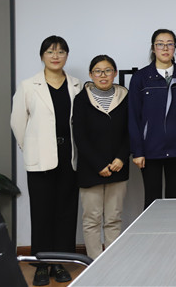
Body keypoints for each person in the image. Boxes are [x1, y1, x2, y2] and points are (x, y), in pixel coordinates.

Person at [10, 35, 82, 286]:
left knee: (66, 211)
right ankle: (41, 265)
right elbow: (17, 122)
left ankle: (60, 262)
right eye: (50, 51)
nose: (55, 56)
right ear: (42, 56)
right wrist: (30, 147)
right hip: (40, 159)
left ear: (67, 56)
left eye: (61, 51)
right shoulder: (29, 85)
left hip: (69, 157)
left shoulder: (76, 85)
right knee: (42, 212)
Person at [72, 55, 129, 260]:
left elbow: (131, 131)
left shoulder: (125, 97)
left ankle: (111, 262)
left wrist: (121, 158)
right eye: (97, 71)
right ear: (90, 74)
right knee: (92, 219)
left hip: (118, 167)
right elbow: (79, 136)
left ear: (115, 73)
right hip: (90, 169)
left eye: (107, 71)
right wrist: (98, 164)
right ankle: (95, 263)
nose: (103, 75)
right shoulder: (81, 99)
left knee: (114, 218)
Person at [128, 28, 176, 209]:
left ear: (175, 48)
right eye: (160, 44)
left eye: (170, 44)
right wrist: (138, 151)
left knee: (175, 199)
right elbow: (134, 116)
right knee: (152, 200)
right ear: (153, 48)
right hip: (150, 150)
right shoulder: (140, 77)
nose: (165, 48)